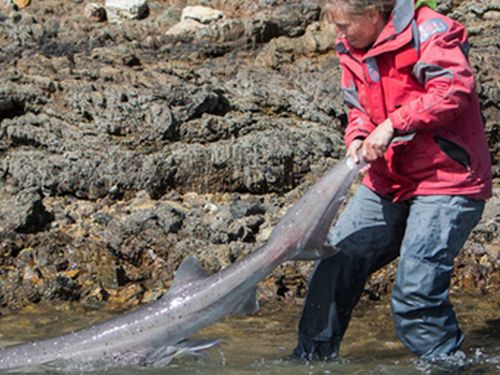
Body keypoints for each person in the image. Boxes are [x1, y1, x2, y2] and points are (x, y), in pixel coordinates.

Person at [293, 0, 492, 362]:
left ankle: (446, 365)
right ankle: (309, 361)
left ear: (372, 14)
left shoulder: (431, 31)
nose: (338, 34)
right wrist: (357, 135)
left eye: (343, 25)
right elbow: (357, 107)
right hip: (388, 182)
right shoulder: (352, 46)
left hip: (447, 181)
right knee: (334, 265)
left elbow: (453, 89)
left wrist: (392, 124)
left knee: (415, 292)